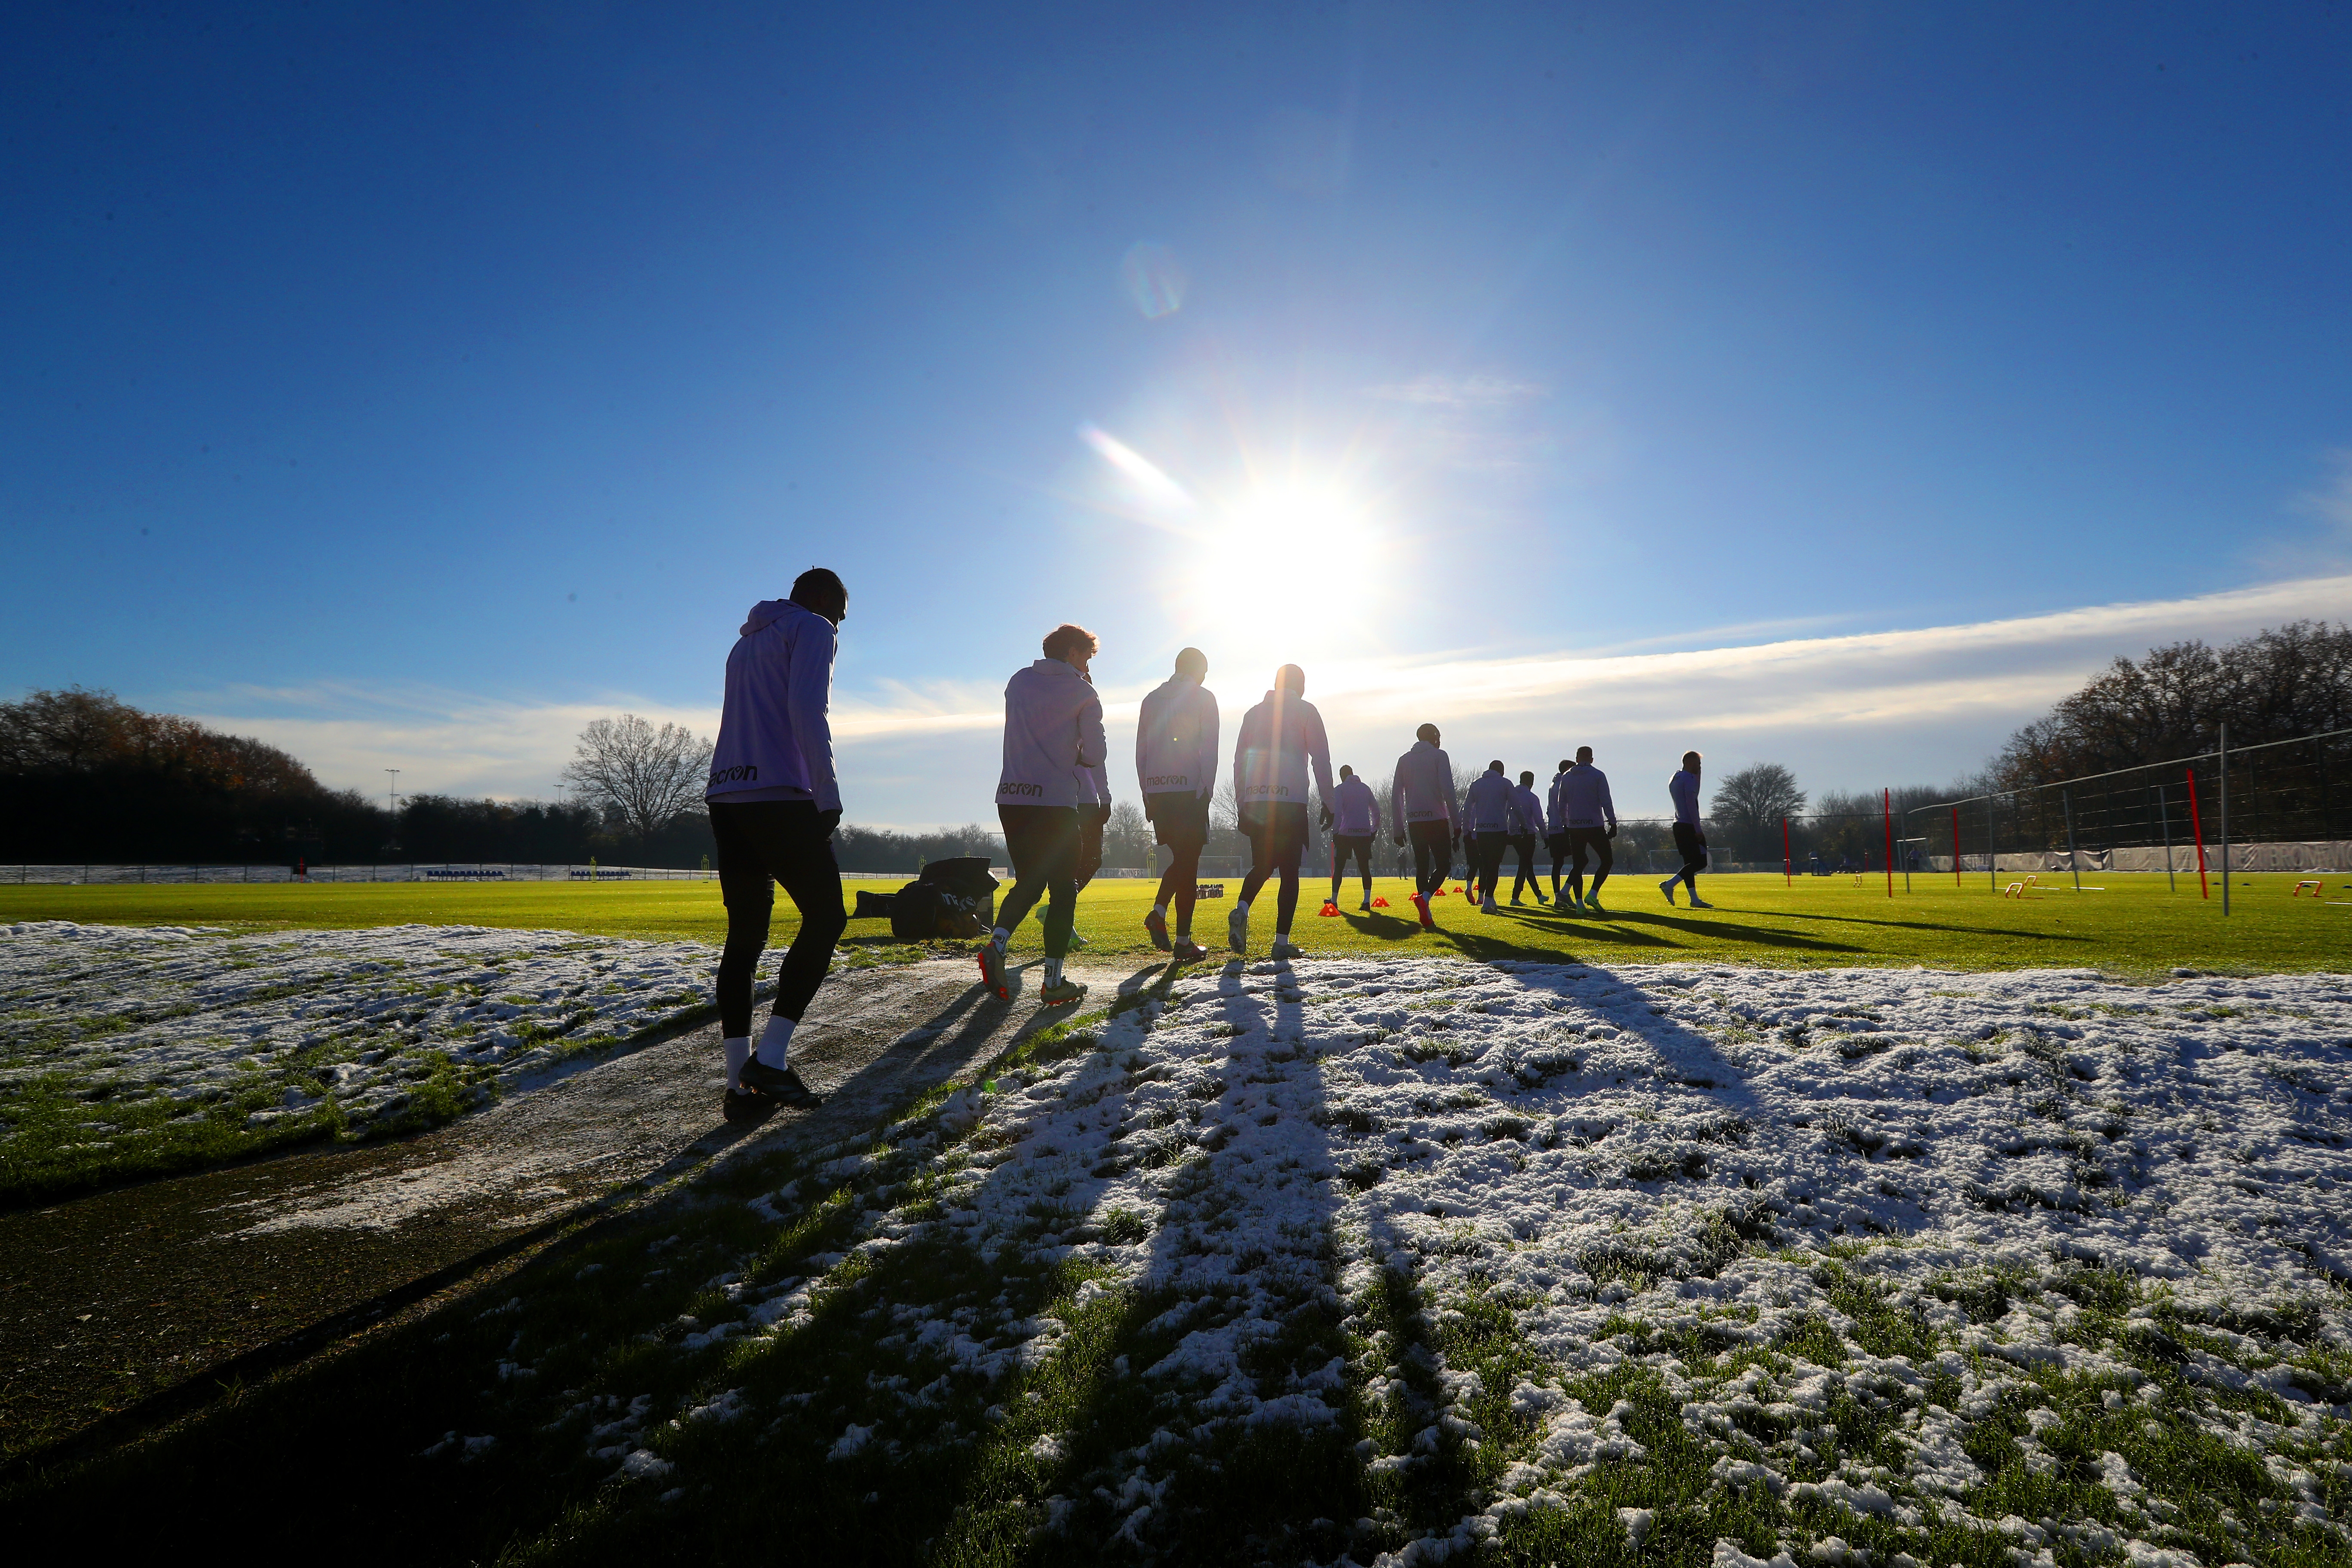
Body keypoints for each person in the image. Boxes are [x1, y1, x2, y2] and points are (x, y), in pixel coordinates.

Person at [706, 567, 848, 1120]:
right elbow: (807, 710)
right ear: (819, 600)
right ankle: (771, 1058)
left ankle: (740, 1087)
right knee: (827, 916)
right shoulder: (812, 627)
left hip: (726, 795)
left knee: (744, 939)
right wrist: (827, 793)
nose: (838, 626)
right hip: (779, 796)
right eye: (839, 613)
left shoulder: (744, 642)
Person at [978, 624, 1106, 1008]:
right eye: (1086, 656)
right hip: (1055, 802)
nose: (1087, 665)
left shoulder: (1017, 682)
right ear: (1072, 652)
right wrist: (1074, 751)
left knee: (1029, 882)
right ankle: (1053, 981)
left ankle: (997, 943)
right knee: (1063, 889)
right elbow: (1096, 755)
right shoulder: (1085, 693)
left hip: (1013, 797)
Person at [1229, 664, 1335, 958]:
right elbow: (1321, 759)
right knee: (1289, 873)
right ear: (1300, 685)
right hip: (1290, 801)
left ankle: (1241, 909)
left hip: (1256, 800)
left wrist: (1242, 801)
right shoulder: (1306, 711)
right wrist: (1329, 800)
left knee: (1263, 864)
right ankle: (1281, 942)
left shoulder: (1253, 714)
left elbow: (1239, 761)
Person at [1136, 647, 1218, 964]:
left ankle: (1160, 913)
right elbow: (1209, 747)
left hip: (1158, 790)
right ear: (1198, 670)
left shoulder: (1150, 699)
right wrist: (1206, 789)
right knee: (1190, 863)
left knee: (1182, 859)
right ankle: (1182, 941)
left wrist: (1146, 792)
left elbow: (1141, 750)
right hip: (1189, 790)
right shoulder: (1203, 697)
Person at [1391, 723, 1461, 930]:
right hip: (1437, 819)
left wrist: (1398, 828)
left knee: (1422, 866)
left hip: (1414, 821)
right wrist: (1457, 824)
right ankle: (1426, 899)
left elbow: (1396, 797)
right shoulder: (1440, 756)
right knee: (1444, 865)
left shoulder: (1404, 760)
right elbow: (1448, 790)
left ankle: (1426, 913)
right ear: (1434, 737)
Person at [1556, 744, 1618, 913]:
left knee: (1578, 864)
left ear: (1577, 759)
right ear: (1591, 759)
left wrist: (1565, 821)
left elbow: (1562, 803)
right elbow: (1606, 800)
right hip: (1594, 825)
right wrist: (1612, 822)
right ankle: (1593, 893)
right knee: (1607, 860)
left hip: (1575, 826)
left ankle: (1580, 905)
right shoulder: (1598, 775)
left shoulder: (1567, 777)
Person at [1660, 750, 1715, 909]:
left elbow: (1694, 788)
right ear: (1691, 763)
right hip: (1689, 825)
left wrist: (1698, 770)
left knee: (1689, 864)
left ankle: (1694, 899)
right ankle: (1670, 884)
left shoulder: (1675, 777)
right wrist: (1698, 829)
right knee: (1701, 861)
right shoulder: (1689, 779)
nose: (1700, 767)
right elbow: (1692, 803)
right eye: (1698, 764)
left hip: (1678, 824)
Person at [1462, 760, 1516, 914]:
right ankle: (1487, 901)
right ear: (1502, 771)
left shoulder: (1477, 784)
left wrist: (1466, 830)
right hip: (1499, 830)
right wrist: (1521, 826)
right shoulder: (1505, 784)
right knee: (1494, 867)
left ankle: (1489, 900)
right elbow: (1516, 807)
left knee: (1486, 866)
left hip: (1481, 831)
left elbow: (1468, 809)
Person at [1326, 763, 1381, 910]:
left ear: (1342, 777)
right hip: (1363, 833)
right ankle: (1367, 901)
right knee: (1364, 868)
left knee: (1339, 868)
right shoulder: (1365, 789)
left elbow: (1337, 813)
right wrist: (1373, 830)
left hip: (1345, 834)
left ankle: (1335, 900)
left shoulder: (1340, 790)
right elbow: (1376, 811)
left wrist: (1335, 832)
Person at [1508, 769, 1549, 905]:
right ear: (1531, 782)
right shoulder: (1532, 798)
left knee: (1527, 865)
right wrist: (1545, 835)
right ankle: (1515, 897)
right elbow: (1539, 819)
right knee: (1524, 865)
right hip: (1528, 835)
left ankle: (1539, 895)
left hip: (1513, 834)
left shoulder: (1511, 795)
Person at [1544, 757, 1575, 902]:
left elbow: (1549, 810)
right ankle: (1566, 892)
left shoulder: (1553, 784)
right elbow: (1567, 806)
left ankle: (1558, 897)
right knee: (1581, 860)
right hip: (1565, 829)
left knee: (1557, 864)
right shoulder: (1565, 783)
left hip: (1553, 829)